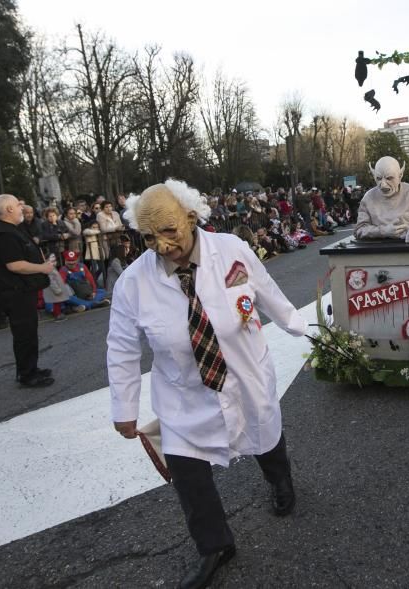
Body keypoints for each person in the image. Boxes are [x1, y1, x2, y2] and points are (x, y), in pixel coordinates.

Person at [107, 180, 306, 588]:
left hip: (245, 371)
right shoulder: (133, 283)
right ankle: (214, 544)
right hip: (183, 392)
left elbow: (265, 290)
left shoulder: (231, 249)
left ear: (191, 217)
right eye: (148, 237)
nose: (161, 246)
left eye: (169, 231)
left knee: (264, 432)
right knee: (187, 474)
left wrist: (297, 324)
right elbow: (122, 348)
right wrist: (123, 409)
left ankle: (279, 479)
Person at [0, 194, 55, 387]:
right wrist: (42, 268)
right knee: (24, 334)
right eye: (18, 204)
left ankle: (31, 368)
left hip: (22, 290)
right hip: (15, 292)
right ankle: (27, 374)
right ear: (9, 209)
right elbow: (15, 265)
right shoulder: (4, 233)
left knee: (29, 332)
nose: (22, 208)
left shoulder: (11, 229)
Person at [355, 156, 409, 242]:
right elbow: (360, 230)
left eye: (389, 178)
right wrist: (383, 231)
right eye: (378, 178)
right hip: (379, 252)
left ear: (400, 176)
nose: (383, 185)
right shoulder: (368, 199)